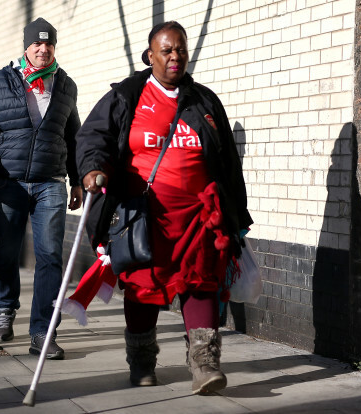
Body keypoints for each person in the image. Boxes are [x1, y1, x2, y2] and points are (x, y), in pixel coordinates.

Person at [76, 21, 252, 393]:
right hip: (144, 216)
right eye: (168, 51)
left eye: (181, 50)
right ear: (150, 55)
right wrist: (93, 168)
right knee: (144, 288)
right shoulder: (127, 96)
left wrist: (238, 215)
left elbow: (227, 163)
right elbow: (95, 137)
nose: (176, 57)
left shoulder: (203, 101)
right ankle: (142, 361)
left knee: (202, 283)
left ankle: (205, 364)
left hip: (199, 216)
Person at [0, 17, 82, 360]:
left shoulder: (66, 86)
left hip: (51, 183)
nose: (43, 50)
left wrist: (77, 179)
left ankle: (43, 331)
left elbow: (74, 137)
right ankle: (4, 308)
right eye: (37, 44)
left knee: (49, 257)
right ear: (26, 47)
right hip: (9, 183)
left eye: (49, 45)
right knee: (7, 250)